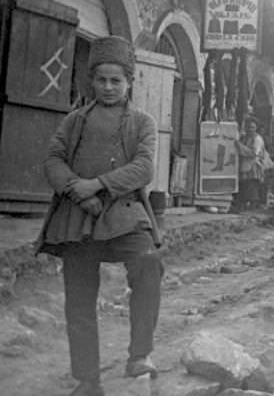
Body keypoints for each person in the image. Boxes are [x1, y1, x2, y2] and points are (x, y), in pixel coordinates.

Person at [35, 36, 163, 396]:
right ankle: (87, 379)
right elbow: (53, 160)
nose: (108, 87)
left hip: (124, 213)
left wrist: (99, 185)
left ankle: (140, 355)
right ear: (91, 81)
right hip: (76, 217)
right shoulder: (74, 121)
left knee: (148, 262)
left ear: (130, 82)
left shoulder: (142, 122)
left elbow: (144, 168)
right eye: (101, 80)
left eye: (116, 80)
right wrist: (76, 189)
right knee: (78, 297)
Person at [236, 118, 266, 210]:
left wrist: (240, 146)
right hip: (244, 163)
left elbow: (253, 153)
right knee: (244, 184)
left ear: (256, 128)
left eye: (252, 127)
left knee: (252, 184)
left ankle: (253, 204)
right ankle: (245, 203)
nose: (250, 129)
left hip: (253, 164)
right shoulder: (244, 137)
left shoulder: (257, 139)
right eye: (248, 127)